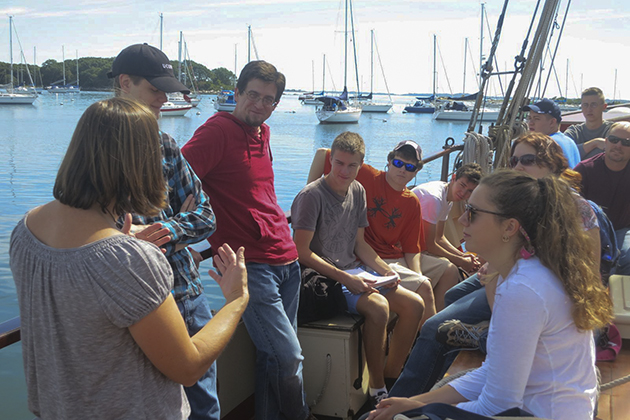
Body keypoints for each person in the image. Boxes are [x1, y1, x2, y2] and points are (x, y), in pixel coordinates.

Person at [9, 98, 249, 420]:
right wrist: (235, 298)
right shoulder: (127, 260)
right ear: (138, 164)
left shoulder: (24, 232)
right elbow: (188, 366)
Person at [368, 170, 613, 420]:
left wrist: (421, 411)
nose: (462, 219)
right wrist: (414, 402)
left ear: (510, 227)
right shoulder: (533, 272)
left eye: (473, 213)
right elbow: (495, 371)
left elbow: (497, 406)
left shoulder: (523, 289)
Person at [390, 132, 601, 399]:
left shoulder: (576, 209)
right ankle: (433, 377)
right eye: (513, 161)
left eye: (527, 160)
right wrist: (490, 268)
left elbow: (587, 275)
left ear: (552, 164)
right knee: (454, 294)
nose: (518, 167)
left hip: (540, 297)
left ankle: (407, 399)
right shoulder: (520, 202)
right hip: (507, 278)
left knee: (435, 328)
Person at [182, 60, 312, 420]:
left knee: (273, 358)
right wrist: (187, 236)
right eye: (252, 94)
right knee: (290, 357)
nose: (259, 104)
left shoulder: (263, 133)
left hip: (287, 259)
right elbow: (174, 180)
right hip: (251, 265)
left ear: (275, 105)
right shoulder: (217, 132)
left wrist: (206, 247)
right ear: (236, 93)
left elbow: (253, 197)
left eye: (268, 99)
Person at [108, 43, 221, 420]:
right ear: (125, 83)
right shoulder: (96, 152)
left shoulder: (166, 145)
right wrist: (131, 238)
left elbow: (206, 216)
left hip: (187, 293)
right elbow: (94, 240)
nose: (164, 98)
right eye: (155, 88)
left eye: (165, 89)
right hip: (140, 308)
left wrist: (165, 228)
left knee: (206, 408)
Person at [292, 132, 424, 406]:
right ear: (330, 161)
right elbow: (301, 251)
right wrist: (345, 279)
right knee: (378, 308)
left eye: (352, 166)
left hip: (354, 270)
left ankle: (392, 376)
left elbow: (360, 245)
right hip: (325, 277)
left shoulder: (358, 191)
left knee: (415, 305)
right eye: (338, 163)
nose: (344, 171)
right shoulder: (311, 196)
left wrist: (385, 270)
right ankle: (377, 390)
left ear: (360, 164)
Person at [306, 141, 460, 322]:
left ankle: (434, 325)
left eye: (409, 167)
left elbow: (412, 249)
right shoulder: (368, 176)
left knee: (449, 270)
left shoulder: (412, 202)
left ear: (416, 171)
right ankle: (431, 339)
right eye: (398, 163)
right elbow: (323, 153)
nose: (402, 170)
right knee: (424, 287)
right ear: (389, 161)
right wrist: (310, 196)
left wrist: (417, 274)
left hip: (396, 256)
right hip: (369, 258)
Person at [575, 121, 630, 275]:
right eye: (613, 140)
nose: (618, 145)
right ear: (605, 141)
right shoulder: (585, 169)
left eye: (627, 142)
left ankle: (620, 296)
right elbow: (564, 202)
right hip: (589, 229)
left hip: (622, 230)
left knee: (627, 258)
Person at [411, 164, 483, 274]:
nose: (463, 193)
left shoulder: (447, 196)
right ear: (453, 178)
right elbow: (429, 244)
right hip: (405, 247)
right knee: (450, 270)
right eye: (462, 185)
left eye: (470, 191)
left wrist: (462, 256)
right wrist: (461, 261)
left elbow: (439, 237)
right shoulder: (434, 199)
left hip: (418, 244)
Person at [524, 98, 581, 168]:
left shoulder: (547, 144)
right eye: (529, 118)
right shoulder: (569, 142)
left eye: (536, 119)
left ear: (552, 122)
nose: (530, 123)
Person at [565, 87, 613, 160]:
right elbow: (563, 153)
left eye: (593, 105)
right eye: (585, 105)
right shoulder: (574, 131)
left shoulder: (613, 130)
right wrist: (595, 143)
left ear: (604, 107)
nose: (589, 109)